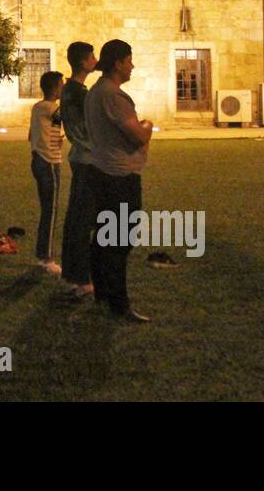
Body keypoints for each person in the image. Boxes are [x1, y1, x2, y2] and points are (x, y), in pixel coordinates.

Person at [83, 39, 154, 323]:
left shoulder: (95, 92)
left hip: (101, 171)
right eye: (129, 60)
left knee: (104, 237)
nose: (132, 66)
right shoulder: (114, 95)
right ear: (117, 64)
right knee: (120, 241)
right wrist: (148, 125)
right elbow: (137, 135)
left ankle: (103, 293)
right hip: (119, 176)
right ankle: (119, 302)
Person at [59, 41, 98, 299]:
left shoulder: (71, 90)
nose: (96, 60)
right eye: (92, 57)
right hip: (87, 160)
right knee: (83, 220)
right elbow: (87, 129)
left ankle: (73, 275)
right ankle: (81, 279)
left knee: (77, 218)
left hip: (81, 158)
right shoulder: (78, 92)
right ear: (84, 62)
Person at [28, 70, 65, 274]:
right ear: (54, 88)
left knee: (47, 210)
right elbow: (68, 114)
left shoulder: (38, 108)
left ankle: (43, 254)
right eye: (61, 85)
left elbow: (31, 134)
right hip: (48, 162)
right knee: (50, 211)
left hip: (40, 161)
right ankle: (47, 258)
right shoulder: (50, 108)